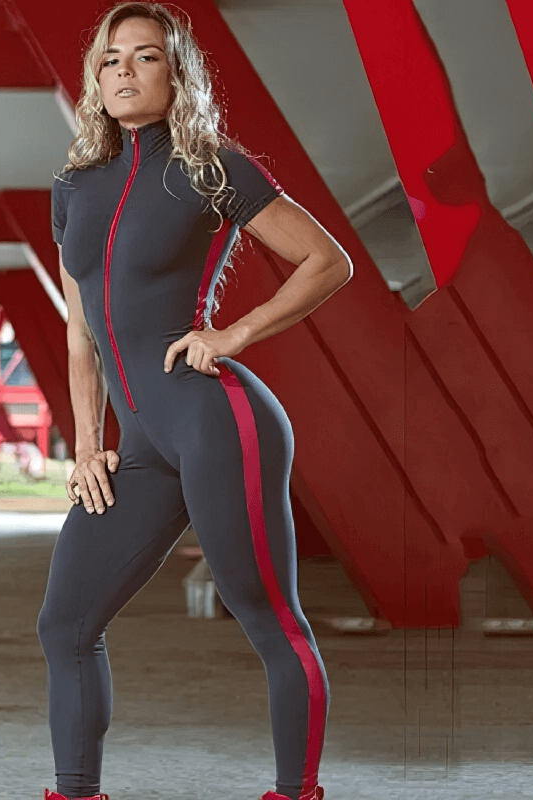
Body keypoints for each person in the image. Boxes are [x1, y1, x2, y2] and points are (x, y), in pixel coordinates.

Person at [37, 3, 352, 799]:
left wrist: (237, 331)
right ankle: (75, 792)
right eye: (111, 59)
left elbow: (326, 260)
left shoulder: (214, 166)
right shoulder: (74, 187)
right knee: (66, 624)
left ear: (176, 73)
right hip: (140, 444)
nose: (124, 71)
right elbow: (82, 333)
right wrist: (86, 444)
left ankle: (296, 792)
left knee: (268, 618)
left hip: (217, 422)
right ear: (94, 78)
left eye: (145, 57)